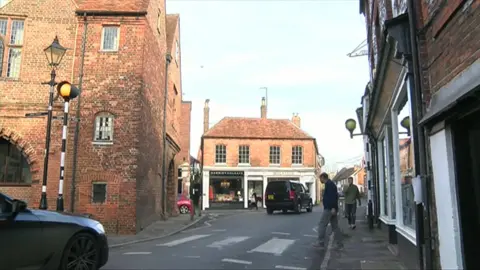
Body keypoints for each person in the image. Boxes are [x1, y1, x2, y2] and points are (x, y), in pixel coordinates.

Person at [314, 172, 343, 249]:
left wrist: (333, 208)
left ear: (323, 177)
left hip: (329, 209)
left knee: (322, 225)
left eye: (320, 178)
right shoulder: (330, 184)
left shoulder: (329, 185)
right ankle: (339, 244)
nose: (320, 180)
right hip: (332, 208)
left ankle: (321, 243)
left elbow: (333, 197)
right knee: (335, 227)